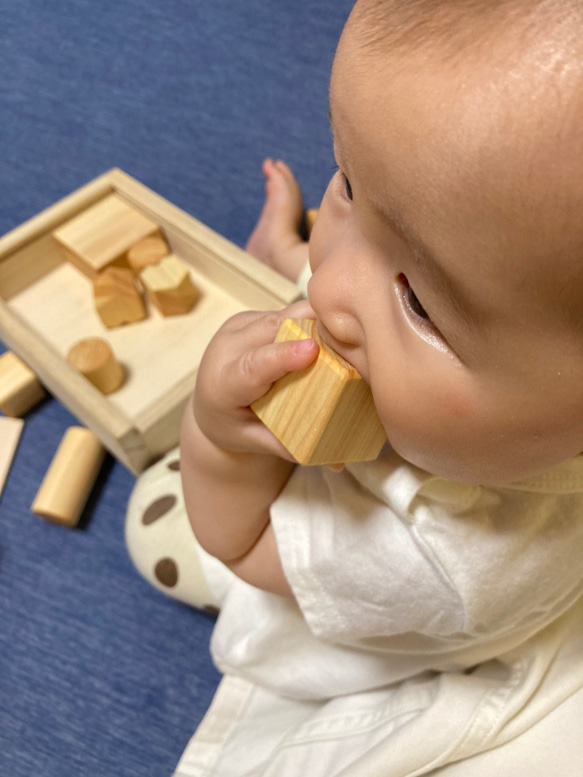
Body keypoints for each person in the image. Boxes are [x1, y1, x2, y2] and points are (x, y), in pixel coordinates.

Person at [125, 0, 583, 774]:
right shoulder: (480, 315)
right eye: (346, 181)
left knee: (151, 521)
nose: (328, 279)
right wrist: (366, 259)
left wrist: (213, 438)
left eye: (420, 302)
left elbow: (242, 543)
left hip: (347, 596)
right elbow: (368, 267)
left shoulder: (451, 558)